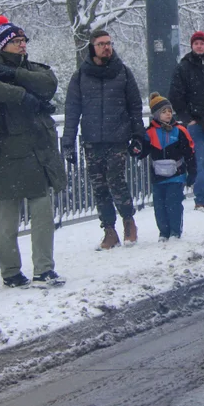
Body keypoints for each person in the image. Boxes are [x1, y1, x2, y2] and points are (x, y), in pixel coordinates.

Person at [0, 16, 66, 289]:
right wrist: (22, 96)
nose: (22, 45)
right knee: (8, 218)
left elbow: (48, 83)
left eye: (23, 40)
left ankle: (43, 269)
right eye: (16, 41)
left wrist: (16, 76)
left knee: (41, 213)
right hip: (8, 153)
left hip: (39, 150)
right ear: (4, 45)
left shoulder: (30, 69)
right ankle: (11, 271)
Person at [61, 28, 144, 250]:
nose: (106, 47)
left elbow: (135, 107)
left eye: (109, 43)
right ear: (92, 48)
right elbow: (72, 110)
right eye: (101, 44)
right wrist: (67, 142)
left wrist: (138, 136)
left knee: (116, 180)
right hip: (92, 139)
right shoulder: (80, 76)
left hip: (117, 137)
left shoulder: (123, 73)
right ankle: (109, 229)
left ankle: (128, 221)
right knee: (99, 187)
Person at [133, 93, 195, 241]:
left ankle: (175, 231)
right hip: (158, 177)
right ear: (156, 114)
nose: (168, 114)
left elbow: (190, 152)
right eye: (163, 111)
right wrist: (136, 149)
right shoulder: (149, 133)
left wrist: (192, 171)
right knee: (159, 207)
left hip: (176, 175)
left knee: (173, 204)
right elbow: (142, 151)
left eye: (169, 111)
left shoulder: (180, 131)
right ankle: (163, 232)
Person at [169, 31, 204, 211]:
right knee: (200, 162)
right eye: (196, 43)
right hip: (197, 123)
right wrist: (187, 119)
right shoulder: (184, 68)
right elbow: (175, 95)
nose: (199, 46)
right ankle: (201, 198)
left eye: (201, 43)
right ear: (191, 46)